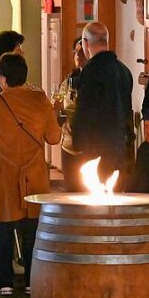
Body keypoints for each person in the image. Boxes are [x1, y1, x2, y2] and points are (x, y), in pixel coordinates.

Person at [0, 53, 61, 295]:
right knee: (32, 228)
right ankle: (32, 280)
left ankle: (6, 283)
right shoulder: (40, 100)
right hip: (34, 174)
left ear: (1, 78)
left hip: (2, 174)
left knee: (4, 228)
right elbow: (54, 137)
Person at [70, 22, 133, 187]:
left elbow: (86, 111)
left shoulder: (91, 72)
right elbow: (127, 110)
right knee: (115, 193)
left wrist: (77, 141)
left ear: (85, 42)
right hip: (119, 144)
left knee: (94, 197)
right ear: (107, 41)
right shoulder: (124, 70)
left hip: (95, 146)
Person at [60, 38, 89, 191]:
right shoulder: (69, 79)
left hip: (87, 144)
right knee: (71, 187)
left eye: (81, 51)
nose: (78, 55)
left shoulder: (93, 79)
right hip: (68, 142)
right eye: (75, 51)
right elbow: (60, 100)